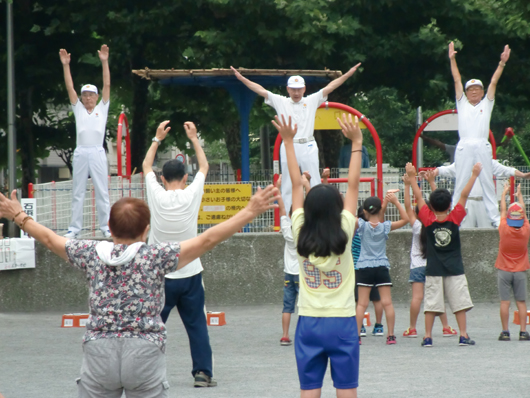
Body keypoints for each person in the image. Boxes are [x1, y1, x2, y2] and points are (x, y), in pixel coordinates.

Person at [0, 187, 279, 397]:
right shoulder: (156, 256)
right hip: (145, 350)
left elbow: (49, 238)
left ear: (109, 227)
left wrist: (18, 215)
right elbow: (208, 238)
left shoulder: (89, 252)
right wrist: (250, 211)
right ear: (147, 230)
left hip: (99, 350)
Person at [272, 113, 361, 397]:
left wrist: (288, 142)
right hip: (343, 321)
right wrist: (356, 143)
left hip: (309, 321)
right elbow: (353, 185)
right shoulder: (345, 229)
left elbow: (296, 185)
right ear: (338, 210)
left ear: (307, 210)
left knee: (309, 390)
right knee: (346, 389)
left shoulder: (299, 230)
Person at [142, 120, 216, 388]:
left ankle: (144, 371)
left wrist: (157, 138)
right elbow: (205, 167)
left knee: (151, 326)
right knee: (197, 325)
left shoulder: (157, 196)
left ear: (162, 179)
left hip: (159, 275)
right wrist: (194, 138)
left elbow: (146, 166)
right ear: (185, 178)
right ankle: (202, 373)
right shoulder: (191, 194)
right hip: (191, 272)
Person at [231, 64, 361, 213]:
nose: (296, 92)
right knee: (287, 183)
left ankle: (319, 216)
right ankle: (287, 219)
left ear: (304, 89)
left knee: (315, 182)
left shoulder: (312, 100)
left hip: (308, 145)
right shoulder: (280, 101)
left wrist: (348, 74)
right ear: (288, 89)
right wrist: (241, 78)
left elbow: (331, 86)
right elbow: (260, 89)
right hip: (289, 145)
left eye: (299, 89)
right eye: (293, 89)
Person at [406, 161, 481, 347]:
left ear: (431, 205)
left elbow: (419, 198)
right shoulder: (455, 217)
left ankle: (428, 336)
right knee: (460, 304)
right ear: (450, 205)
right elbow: (464, 194)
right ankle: (463, 335)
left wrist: (413, 177)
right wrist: (474, 175)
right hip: (455, 268)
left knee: (431, 305)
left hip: (433, 268)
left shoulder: (427, 219)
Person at [448, 41, 511, 227]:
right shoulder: (462, 103)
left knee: (487, 181)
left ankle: (495, 218)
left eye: (477, 89)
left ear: (482, 92)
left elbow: (493, 82)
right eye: (471, 90)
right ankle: (455, 216)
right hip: (465, 144)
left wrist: (502, 63)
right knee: (461, 180)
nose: (474, 91)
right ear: (466, 93)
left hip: (483, 144)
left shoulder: (486, 103)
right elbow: (457, 80)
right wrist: (452, 60)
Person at [59, 45, 112, 239]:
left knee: (102, 191)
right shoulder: (78, 108)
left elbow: (107, 85)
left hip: (97, 151)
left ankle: (106, 227)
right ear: (82, 98)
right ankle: (74, 229)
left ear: (96, 97)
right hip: (81, 152)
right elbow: (69, 87)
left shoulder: (102, 108)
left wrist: (104, 62)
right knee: (78, 191)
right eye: (85, 95)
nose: (88, 98)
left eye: (91, 95)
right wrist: (66, 66)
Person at [402, 171, 457, 338]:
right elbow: (439, 205)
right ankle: (446, 326)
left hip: (417, 266)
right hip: (434, 265)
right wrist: (432, 182)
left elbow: (407, 207)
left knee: (417, 297)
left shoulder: (417, 225)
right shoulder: (435, 223)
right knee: (437, 298)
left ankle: (412, 328)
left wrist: (407, 185)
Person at [355, 193, 409, 345]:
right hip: (381, 266)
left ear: (364, 212)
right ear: (380, 211)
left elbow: (345, 217)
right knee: (387, 302)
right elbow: (406, 219)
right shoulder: (385, 227)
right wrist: (396, 202)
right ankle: (390, 335)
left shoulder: (361, 225)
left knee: (361, 304)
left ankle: (357, 335)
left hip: (364, 266)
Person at [429, 160, 530, 228]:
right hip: (467, 203)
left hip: (484, 202)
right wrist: (432, 173)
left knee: (487, 231)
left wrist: (523, 175)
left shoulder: (489, 162)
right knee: (465, 231)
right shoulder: (462, 162)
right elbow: (444, 170)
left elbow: (506, 170)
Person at [276, 174, 310, 346]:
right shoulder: (306, 232)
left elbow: (282, 208)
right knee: (304, 307)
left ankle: (284, 335)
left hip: (288, 274)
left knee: (287, 306)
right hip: (303, 274)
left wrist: (278, 187)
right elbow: (310, 209)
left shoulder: (286, 229)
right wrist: (306, 185)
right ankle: (303, 335)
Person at [495, 182, 530, 341]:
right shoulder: (526, 230)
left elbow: (502, 210)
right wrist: (520, 195)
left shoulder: (504, 228)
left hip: (503, 269)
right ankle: (523, 332)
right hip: (520, 270)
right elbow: (524, 213)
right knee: (521, 302)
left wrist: (504, 194)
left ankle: (505, 332)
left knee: (505, 302)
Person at [352, 206, 384, 338]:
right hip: (376, 266)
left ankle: (361, 328)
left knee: (359, 301)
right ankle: (378, 326)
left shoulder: (356, 231)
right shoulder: (378, 229)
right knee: (377, 299)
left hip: (358, 268)